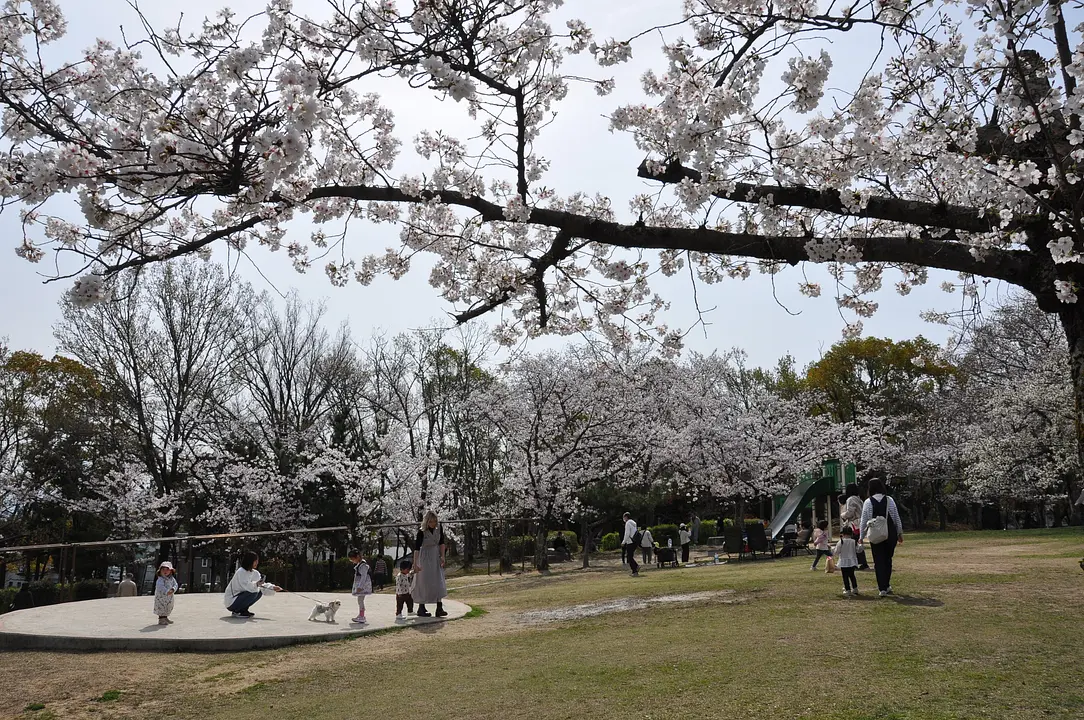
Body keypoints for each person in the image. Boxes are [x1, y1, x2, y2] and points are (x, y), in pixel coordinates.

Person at [860, 478, 905, 597]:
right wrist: (899, 533)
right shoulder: (889, 500)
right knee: (887, 559)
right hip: (890, 532)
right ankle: (887, 583)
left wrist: (861, 536)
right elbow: (896, 517)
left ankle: (882, 587)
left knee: (878, 560)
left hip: (875, 533)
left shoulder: (868, 502)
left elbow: (864, 520)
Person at [223, 550, 282, 618]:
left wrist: (273, 588)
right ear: (250, 561)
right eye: (255, 561)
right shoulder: (241, 572)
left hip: (240, 598)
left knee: (259, 592)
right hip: (231, 601)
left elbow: (261, 585)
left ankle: (243, 610)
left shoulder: (255, 573)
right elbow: (246, 586)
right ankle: (238, 610)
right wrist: (256, 584)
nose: (257, 563)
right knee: (254, 592)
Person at [413, 510, 448, 618]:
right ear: (427, 522)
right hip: (424, 557)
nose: (433, 523)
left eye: (435, 521)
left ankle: (439, 607)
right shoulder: (421, 532)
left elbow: (441, 542)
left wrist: (442, 556)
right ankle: (421, 607)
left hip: (435, 556)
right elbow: (416, 548)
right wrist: (415, 564)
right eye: (431, 522)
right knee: (423, 582)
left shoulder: (439, 529)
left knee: (438, 581)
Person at [841, 484, 871, 570]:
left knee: (853, 544)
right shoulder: (859, 499)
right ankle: (862, 563)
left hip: (854, 524)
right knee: (857, 543)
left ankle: (857, 564)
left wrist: (843, 515)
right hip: (860, 523)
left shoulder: (850, 499)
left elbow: (850, 512)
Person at [834, 526, 860, 596]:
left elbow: (836, 552)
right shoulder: (853, 541)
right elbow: (859, 550)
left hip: (844, 562)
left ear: (843, 533)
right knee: (852, 575)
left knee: (845, 576)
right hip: (852, 561)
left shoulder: (841, 541)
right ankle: (855, 588)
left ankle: (847, 589)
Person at [349, 549, 372, 624]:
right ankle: (361, 615)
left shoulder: (363, 566)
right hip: (361, 586)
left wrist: (360, 587)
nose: (352, 561)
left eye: (353, 559)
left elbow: (363, 577)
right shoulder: (360, 564)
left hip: (363, 587)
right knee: (360, 600)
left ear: (358, 557)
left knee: (360, 600)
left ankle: (362, 616)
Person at [153, 561, 178, 625]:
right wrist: (166, 591)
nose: (165, 571)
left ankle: (165, 617)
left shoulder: (172, 579)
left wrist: (173, 589)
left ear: (171, 571)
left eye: (167, 570)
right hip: (161, 597)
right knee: (161, 607)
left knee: (168, 606)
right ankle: (161, 619)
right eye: (163, 570)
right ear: (160, 571)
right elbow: (160, 587)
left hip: (169, 597)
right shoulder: (160, 579)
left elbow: (175, 584)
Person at [621, 512, 640, 577]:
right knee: (630, 557)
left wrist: (623, 542)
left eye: (624, 517)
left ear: (626, 517)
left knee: (629, 557)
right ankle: (636, 567)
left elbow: (627, 534)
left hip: (630, 542)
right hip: (635, 541)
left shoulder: (628, 523)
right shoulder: (634, 523)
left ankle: (634, 571)